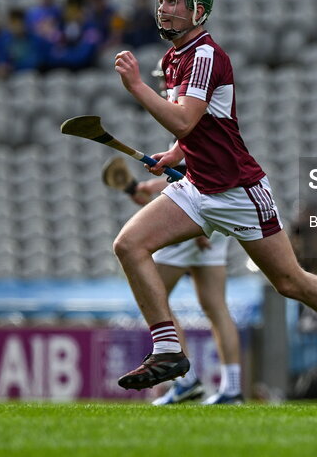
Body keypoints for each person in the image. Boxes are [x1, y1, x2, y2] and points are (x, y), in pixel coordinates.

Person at [111, 0, 317, 407]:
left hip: (239, 191)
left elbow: (185, 119)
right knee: (129, 245)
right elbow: (198, 127)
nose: (165, 7)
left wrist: (137, 88)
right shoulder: (175, 58)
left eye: (176, 1)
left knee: (291, 282)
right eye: (163, 0)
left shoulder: (206, 54)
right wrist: (175, 154)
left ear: (199, 11)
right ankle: (170, 350)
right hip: (198, 188)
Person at [121, 60, 245, 406]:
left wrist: (195, 226)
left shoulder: (185, 111)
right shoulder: (197, 108)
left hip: (200, 216)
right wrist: (152, 185)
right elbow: (189, 171)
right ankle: (232, 389)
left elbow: (194, 176)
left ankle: (185, 381)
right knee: (215, 306)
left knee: (152, 294)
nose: (165, 84)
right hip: (215, 212)